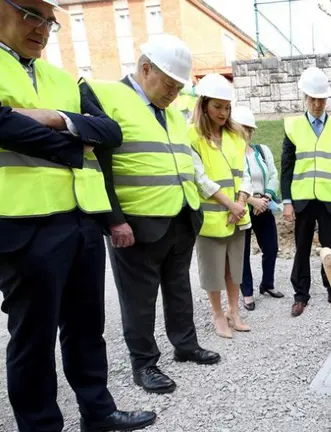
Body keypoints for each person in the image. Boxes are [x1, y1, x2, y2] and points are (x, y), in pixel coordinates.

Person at [0, 0, 156, 430]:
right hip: (23, 222)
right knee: (33, 338)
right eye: (31, 12)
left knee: (87, 327)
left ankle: (98, 412)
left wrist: (54, 118)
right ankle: (41, 425)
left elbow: (109, 132)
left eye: (51, 20)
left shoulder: (64, 78)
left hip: (82, 219)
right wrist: (76, 137)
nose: (42, 27)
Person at [79, 34, 220, 395]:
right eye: (170, 84)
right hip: (136, 224)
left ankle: (185, 345)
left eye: (179, 87)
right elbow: (97, 166)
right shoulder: (107, 97)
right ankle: (144, 364)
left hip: (180, 218)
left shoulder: (170, 112)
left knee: (178, 288)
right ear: (145, 69)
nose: (175, 93)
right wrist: (113, 220)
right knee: (138, 299)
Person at [281, 66, 331, 317]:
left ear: (327, 99)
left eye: (321, 99)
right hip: (301, 199)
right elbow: (287, 168)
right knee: (301, 248)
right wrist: (287, 202)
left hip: (329, 199)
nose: (317, 104)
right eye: (312, 99)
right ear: (305, 98)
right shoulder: (292, 127)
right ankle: (300, 295)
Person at [188, 73, 252, 338]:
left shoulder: (236, 137)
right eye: (217, 106)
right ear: (203, 105)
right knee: (213, 270)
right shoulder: (191, 135)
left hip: (237, 216)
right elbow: (199, 178)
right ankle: (218, 315)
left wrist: (240, 202)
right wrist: (230, 205)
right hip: (212, 219)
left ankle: (234, 312)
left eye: (227, 107)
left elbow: (245, 173)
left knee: (234, 268)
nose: (223, 112)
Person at [232, 105, 285, 310]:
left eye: (250, 129)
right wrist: (251, 201)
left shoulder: (262, 151)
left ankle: (267, 284)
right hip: (244, 209)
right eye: (244, 128)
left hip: (264, 206)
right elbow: (233, 182)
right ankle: (247, 293)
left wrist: (265, 197)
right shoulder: (229, 153)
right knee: (242, 253)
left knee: (271, 248)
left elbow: (272, 175)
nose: (248, 133)